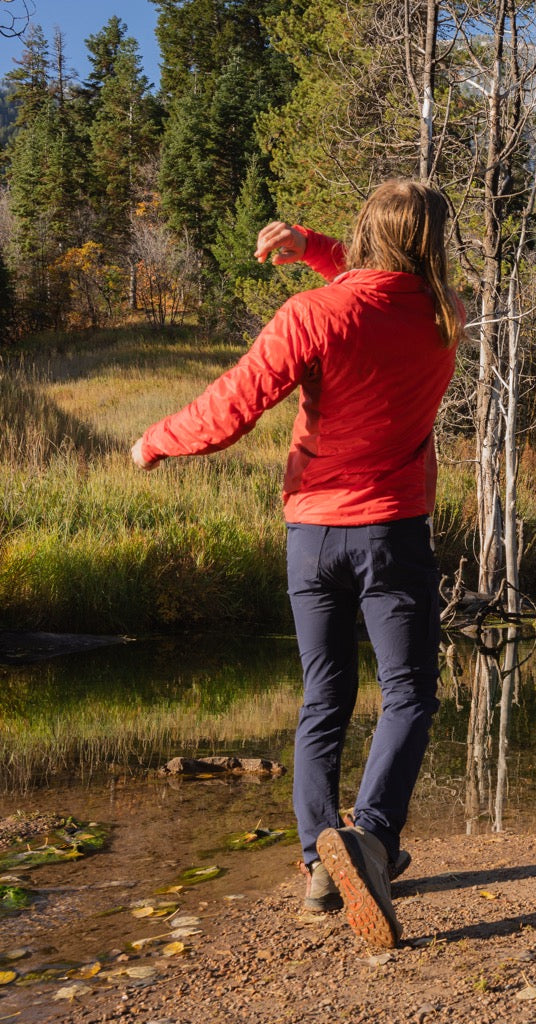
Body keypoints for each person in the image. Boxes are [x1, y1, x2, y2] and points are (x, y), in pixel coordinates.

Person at [131, 180, 462, 948]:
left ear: (366, 232)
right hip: (393, 533)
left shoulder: (313, 315)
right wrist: (311, 249)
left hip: (313, 534)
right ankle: (371, 839)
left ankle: (324, 858)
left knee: (325, 698)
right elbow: (381, 282)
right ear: (435, 245)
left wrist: (156, 440)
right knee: (408, 695)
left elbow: (233, 404)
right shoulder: (445, 316)